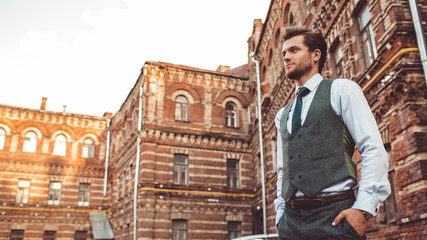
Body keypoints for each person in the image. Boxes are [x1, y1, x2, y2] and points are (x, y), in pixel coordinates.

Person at [274, 27, 391, 239]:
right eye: (284, 53)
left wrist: (363, 208)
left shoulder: (341, 90)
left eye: (293, 50)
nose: (286, 57)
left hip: (334, 216)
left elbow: (372, 148)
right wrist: (280, 214)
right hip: (291, 222)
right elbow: (283, 170)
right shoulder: (282, 114)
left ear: (315, 54)